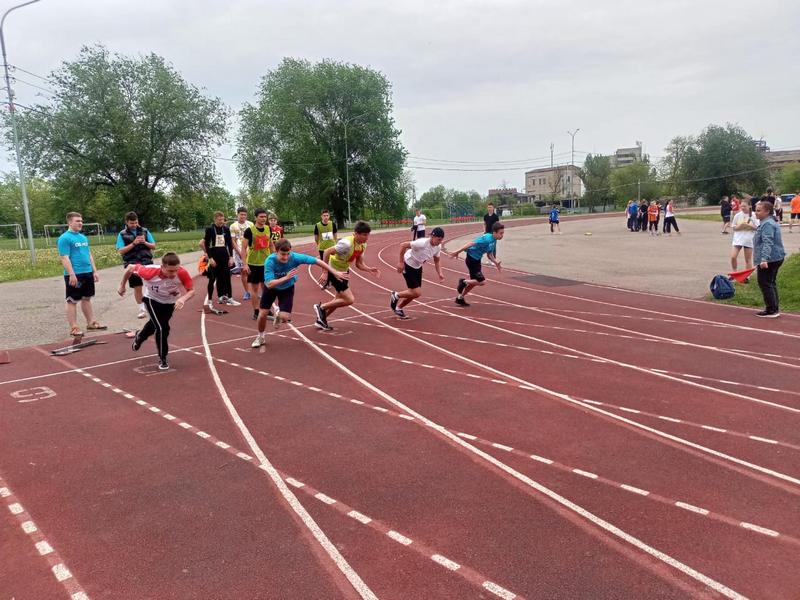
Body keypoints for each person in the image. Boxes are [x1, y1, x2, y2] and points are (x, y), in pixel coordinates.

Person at [251, 239, 347, 347]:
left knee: (285, 317)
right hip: (272, 288)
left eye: (288, 254)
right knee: (262, 314)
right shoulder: (270, 261)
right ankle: (260, 336)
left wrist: (333, 272)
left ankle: (279, 316)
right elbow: (269, 284)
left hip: (287, 288)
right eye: (283, 254)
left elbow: (317, 261)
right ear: (276, 252)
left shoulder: (295, 257)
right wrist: (286, 277)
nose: (286, 257)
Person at [118, 252, 195, 371]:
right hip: (152, 300)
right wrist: (122, 285)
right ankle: (163, 358)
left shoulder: (182, 273)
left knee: (155, 325)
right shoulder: (148, 272)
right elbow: (129, 268)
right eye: (170, 271)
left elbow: (191, 291)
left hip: (170, 302)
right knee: (162, 328)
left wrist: (182, 299)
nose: (173, 274)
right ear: (162, 267)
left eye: (176, 270)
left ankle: (140, 336)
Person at [313, 220, 380, 331]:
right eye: (364, 235)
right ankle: (321, 307)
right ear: (356, 233)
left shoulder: (363, 245)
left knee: (338, 299)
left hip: (344, 271)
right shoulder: (346, 244)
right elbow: (326, 252)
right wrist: (325, 272)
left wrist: (369, 269)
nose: (367, 237)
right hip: (334, 271)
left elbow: (359, 264)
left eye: (368, 235)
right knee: (349, 299)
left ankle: (321, 320)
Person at [57, 212, 104, 337]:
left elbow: (88, 255)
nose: (80, 223)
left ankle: (91, 323)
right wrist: (72, 274)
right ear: (70, 222)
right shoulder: (64, 238)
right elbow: (64, 257)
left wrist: (94, 271)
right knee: (72, 300)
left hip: (87, 272)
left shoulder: (83, 237)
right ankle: (74, 327)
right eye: (77, 221)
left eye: (81, 221)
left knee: (87, 298)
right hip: (75, 274)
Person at [390, 227, 446, 319]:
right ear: (432, 236)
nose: (440, 242)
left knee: (414, 293)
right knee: (416, 292)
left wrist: (440, 273)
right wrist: (400, 262)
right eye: (438, 239)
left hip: (418, 266)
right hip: (408, 264)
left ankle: (399, 308)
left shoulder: (438, 247)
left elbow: (437, 261)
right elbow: (403, 245)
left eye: (441, 240)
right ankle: (395, 295)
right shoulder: (422, 243)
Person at [448, 222, 504, 307]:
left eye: (503, 233)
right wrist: (457, 251)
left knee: (474, 282)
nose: (502, 235)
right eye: (501, 233)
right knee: (482, 282)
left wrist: (496, 263)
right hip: (471, 259)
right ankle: (463, 281)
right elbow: (471, 243)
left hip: (477, 260)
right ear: (494, 232)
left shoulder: (494, 241)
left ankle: (460, 298)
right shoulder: (486, 239)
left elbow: (489, 254)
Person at [115, 211, 156, 319]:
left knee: (151, 285)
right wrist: (133, 243)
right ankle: (142, 309)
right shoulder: (122, 234)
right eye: (131, 223)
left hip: (146, 261)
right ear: (127, 222)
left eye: (136, 222)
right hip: (131, 262)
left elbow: (153, 246)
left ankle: (151, 306)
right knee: (137, 287)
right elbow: (121, 251)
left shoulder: (145, 231)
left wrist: (144, 242)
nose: (134, 225)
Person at [199, 211, 240, 308]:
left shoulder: (226, 229)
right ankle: (209, 300)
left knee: (226, 277)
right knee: (212, 279)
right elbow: (206, 244)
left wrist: (231, 257)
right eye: (219, 219)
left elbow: (229, 244)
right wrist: (210, 258)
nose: (222, 221)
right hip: (214, 254)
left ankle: (229, 298)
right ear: (215, 219)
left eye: (223, 219)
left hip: (224, 255)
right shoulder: (210, 229)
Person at [753, 199, 785, 317]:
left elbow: (768, 242)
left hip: (770, 259)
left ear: (767, 212)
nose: (756, 213)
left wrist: (764, 259)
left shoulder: (767, 224)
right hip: (775, 257)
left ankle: (771, 309)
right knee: (770, 282)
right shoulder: (768, 222)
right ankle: (774, 307)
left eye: (758, 211)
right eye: (755, 210)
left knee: (764, 282)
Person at [240, 209, 271, 320]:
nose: (263, 219)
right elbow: (243, 248)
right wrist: (245, 264)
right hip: (253, 263)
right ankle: (256, 311)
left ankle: (266, 308)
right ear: (255, 218)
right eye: (261, 217)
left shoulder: (268, 229)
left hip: (266, 263)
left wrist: (274, 259)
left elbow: (271, 245)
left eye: (265, 217)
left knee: (266, 287)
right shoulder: (249, 231)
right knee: (254, 289)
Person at [229, 207, 253, 301]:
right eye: (241, 214)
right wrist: (240, 252)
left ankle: (254, 290)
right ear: (237, 215)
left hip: (250, 251)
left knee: (253, 271)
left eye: (245, 214)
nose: (243, 216)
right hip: (238, 251)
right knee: (243, 271)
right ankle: (247, 292)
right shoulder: (233, 226)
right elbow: (233, 241)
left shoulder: (250, 224)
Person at [730, 201, 758, 278]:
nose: (742, 208)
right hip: (738, 239)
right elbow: (734, 227)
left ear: (749, 206)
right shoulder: (737, 215)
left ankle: (747, 276)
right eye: (741, 206)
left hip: (748, 239)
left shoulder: (754, 215)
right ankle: (734, 272)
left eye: (744, 206)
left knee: (748, 259)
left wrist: (749, 226)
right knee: (733, 256)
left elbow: (757, 227)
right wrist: (741, 225)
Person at [314, 209, 338, 288]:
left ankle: (333, 280)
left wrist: (335, 243)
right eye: (324, 216)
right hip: (322, 249)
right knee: (324, 265)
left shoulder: (332, 224)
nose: (326, 217)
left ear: (329, 216)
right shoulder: (317, 225)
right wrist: (318, 245)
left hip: (332, 247)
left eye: (327, 215)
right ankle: (327, 281)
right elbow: (316, 237)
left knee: (333, 264)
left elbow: (335, 234)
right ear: (321, 216)